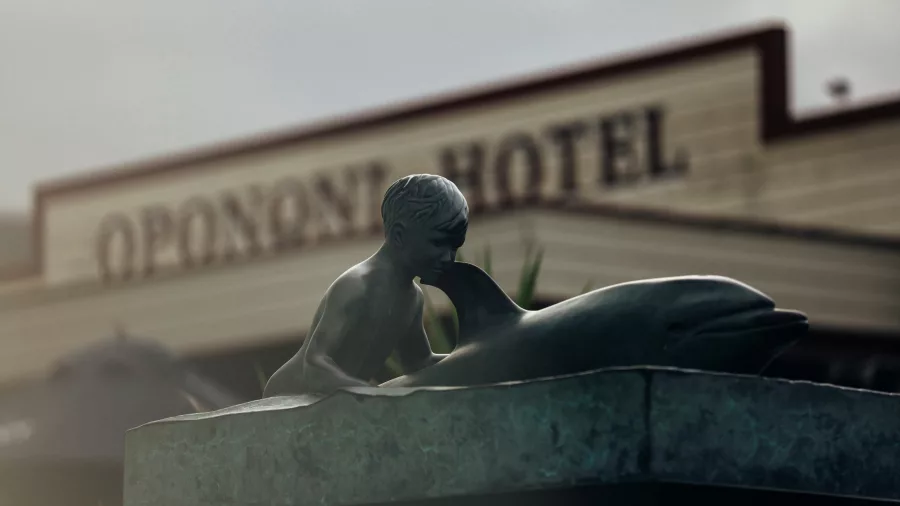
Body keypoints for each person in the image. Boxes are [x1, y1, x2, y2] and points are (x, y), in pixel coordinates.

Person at [263, 174, 469, 397]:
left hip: (333, 405)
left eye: (454, 246)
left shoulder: (411, 299)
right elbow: (314, 365)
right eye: (439, 243)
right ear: (399, 235)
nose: (449, 257)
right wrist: (372, 396)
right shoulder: (356, 287)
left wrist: (473, 361)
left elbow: (419, 362)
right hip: (287, 399)